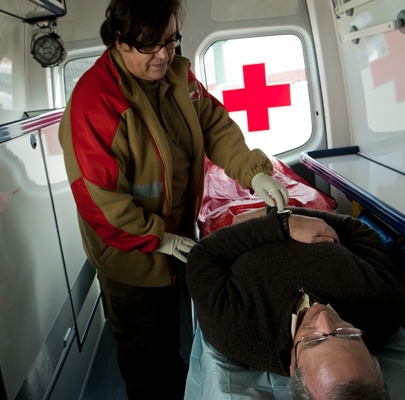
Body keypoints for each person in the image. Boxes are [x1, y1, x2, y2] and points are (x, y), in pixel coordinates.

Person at [57, 0, 289, 398]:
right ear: (118, 40)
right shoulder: (96, 103)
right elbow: (101, 204)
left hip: (175, 238)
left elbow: (215, 126)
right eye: (150, 45)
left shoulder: (178, 77)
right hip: (130, 255)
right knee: (144, 358)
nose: (164, 55)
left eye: (171, 40)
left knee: (172, 333)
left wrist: (255, 172)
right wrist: (157, 239)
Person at [186, 207, 405, 399]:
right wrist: (284, 214)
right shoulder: (385, 304)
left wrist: (280, 224)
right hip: (294, 210)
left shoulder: (234, 328)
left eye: (314, 340)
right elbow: (357, 231)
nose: (323, 318)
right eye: (347, 333)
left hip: (243, 221)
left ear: (293, 367)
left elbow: (203, 256)